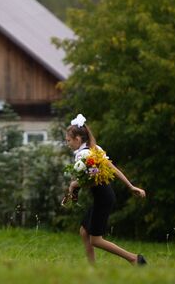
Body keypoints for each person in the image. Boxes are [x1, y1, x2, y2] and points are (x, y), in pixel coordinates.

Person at [63, 113, 147, 265]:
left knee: (96, 240)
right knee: (84, 231)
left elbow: (94, 178)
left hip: (103, 198)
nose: (67, 143)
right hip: (103, 196)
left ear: (78, 139)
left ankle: (134, 259)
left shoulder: (84, 154)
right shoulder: (94, 149)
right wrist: (130, 186)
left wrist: (74, 185)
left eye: (68, 140)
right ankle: (92, 269)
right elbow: (111, 169)